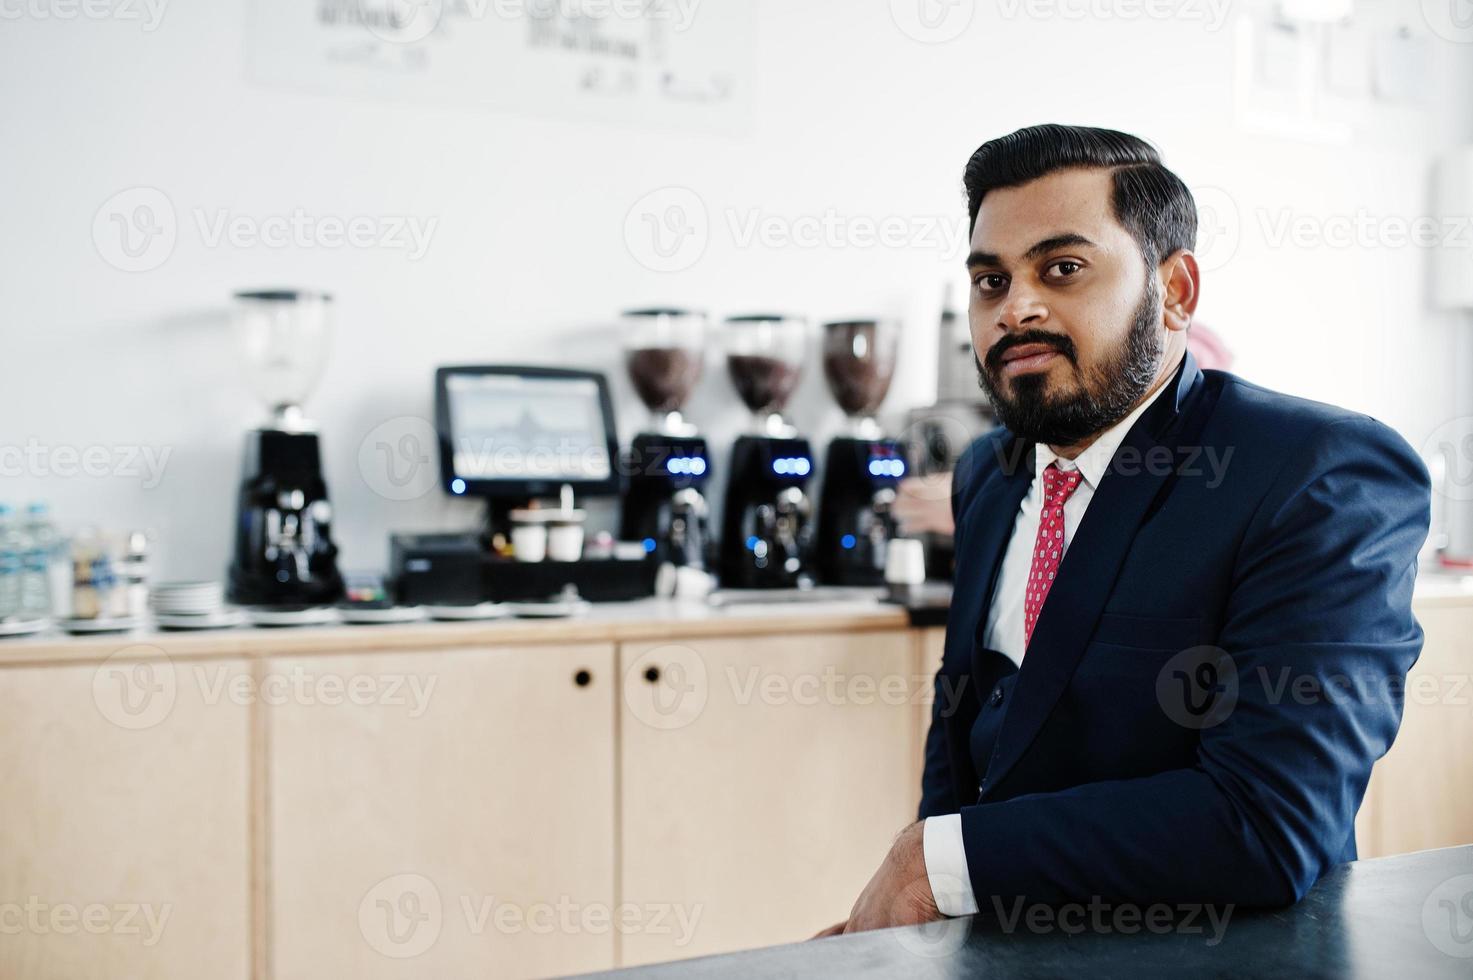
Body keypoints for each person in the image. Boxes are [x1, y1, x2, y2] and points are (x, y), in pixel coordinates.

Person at [820, 124, 1430, 935]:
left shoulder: (1318, 470)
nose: (1016, 308)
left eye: (1061, 269)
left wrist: (934, 863)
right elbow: (963, 728)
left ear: (1174, 290)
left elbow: (1270, 822)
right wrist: (924, 932)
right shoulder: (987, 475)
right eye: (990, 281)